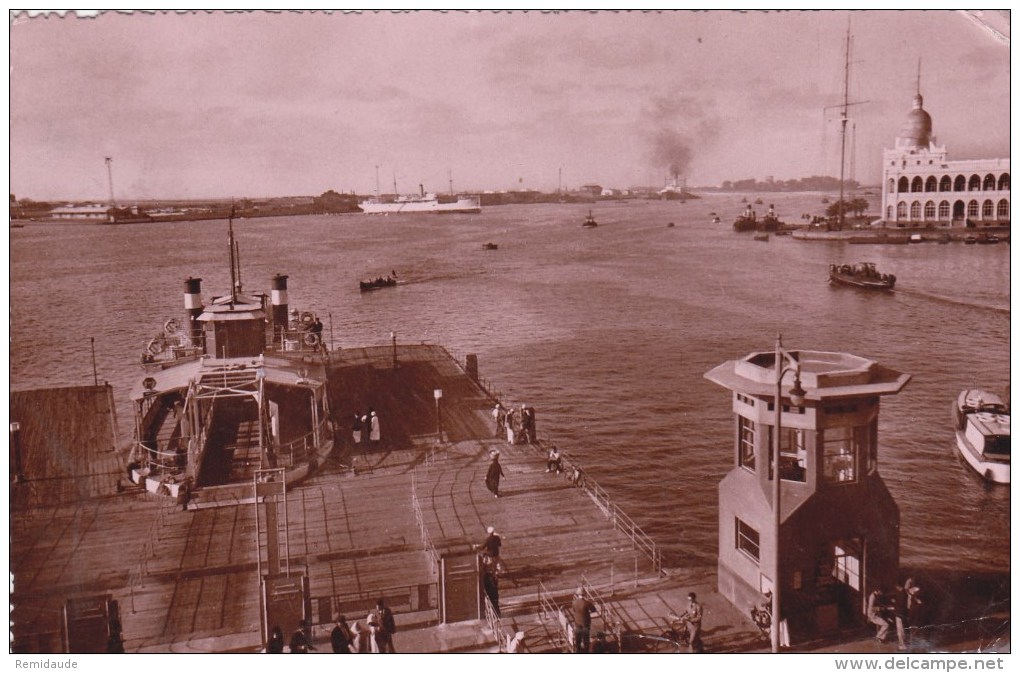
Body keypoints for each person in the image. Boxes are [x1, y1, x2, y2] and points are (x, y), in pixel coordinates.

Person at [571, 586, 596, 653]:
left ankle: (578, 651)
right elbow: (594, 610)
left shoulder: (574, 602)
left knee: (578, 640)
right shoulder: (587, 603)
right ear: (584, 594)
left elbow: (573, 610)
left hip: (577, 623)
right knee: (586, 640)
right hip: (586, 623)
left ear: (577, 594)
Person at [892, 581, 909, 651]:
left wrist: (894, 602)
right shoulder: (904, 593)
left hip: (899, 613)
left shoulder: (901, 594)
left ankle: (901, 645)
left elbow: (899, 604)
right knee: (902, 630)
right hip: (903, 614)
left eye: (896, 587)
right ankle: (903, 644)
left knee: (899, 630)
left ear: (898, 586)